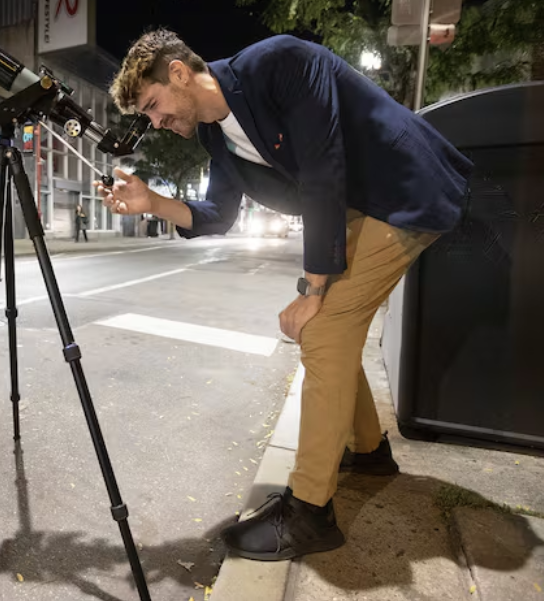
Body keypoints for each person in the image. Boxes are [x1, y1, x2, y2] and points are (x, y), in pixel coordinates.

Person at [97, 30, 473, 561]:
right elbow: (218, 215)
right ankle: (368, 452)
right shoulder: (216, 137)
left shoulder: (279, 64)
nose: (155, 123)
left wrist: (314, 287)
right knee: (329, 332)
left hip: (404, 192)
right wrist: (151, 202)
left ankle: (310, 514)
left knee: (324, 328)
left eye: (154, 106)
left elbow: (322, 168)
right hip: (357, 210)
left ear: (178, 72)